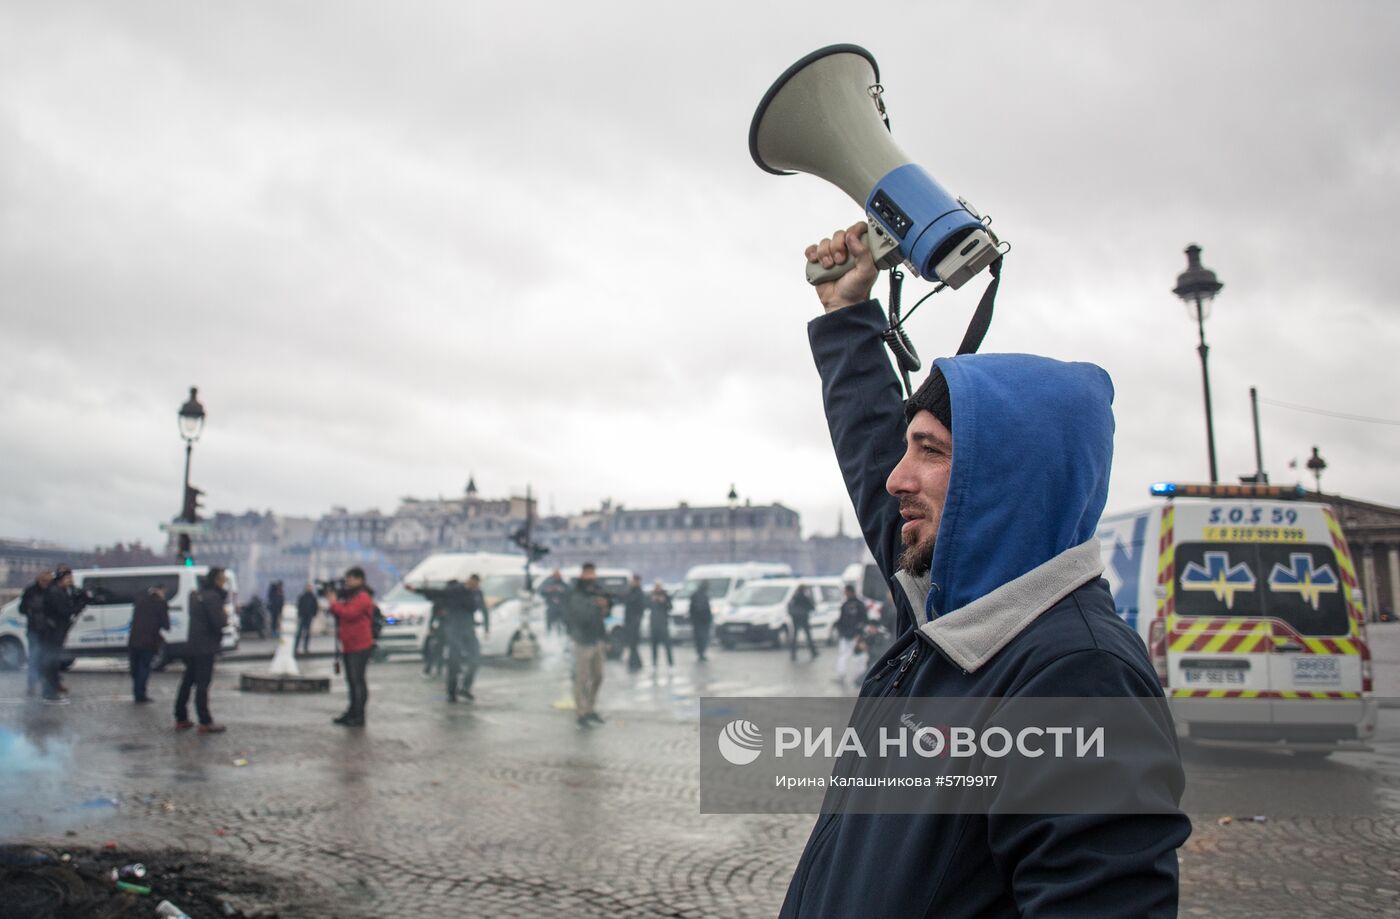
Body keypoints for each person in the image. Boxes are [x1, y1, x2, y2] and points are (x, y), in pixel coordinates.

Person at [778, 224, 1189, 917]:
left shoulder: (1079, 674)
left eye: (931, 451)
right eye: (908, 448)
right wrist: (848, 316)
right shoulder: (956, 609)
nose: (895, 479)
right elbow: (873, 447)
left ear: (1002, 478)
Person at [410, 577, 489, 702]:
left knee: (475, 659)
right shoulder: (456, 591)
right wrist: (417, 590)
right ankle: (451, 692)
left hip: (468, 630)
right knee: (454, 661)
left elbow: (483, 609)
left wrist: (486, 627)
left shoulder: (476, 593)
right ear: (469, 582)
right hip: (454, 630)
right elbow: (436, 593)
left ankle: (465, 687)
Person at [174, 568, 229, 733]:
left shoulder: (197, 595)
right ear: (217, 580)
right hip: (206, 647)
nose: (225, 581)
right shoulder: (213, 597)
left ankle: (181, 716)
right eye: (223, 578)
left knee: (187, 682)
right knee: (202, 684)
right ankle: (205, 721)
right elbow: (217, 622)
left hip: (193, 644)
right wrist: (225, 616)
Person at [327, 567, 375, 726]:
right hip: (349, 644)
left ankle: (359, 715)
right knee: (351, 681)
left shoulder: (363, 597)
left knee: (357, 681)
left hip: (360, 644)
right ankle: (352, 711)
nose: (348, 583)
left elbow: (349, 613)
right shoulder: (352, 595)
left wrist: (334, 603)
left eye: (350, 579)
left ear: (359, 579)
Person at [565, 562, 609, 728]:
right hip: (582, 640)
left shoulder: (598, 589)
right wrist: (594, 606)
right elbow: (578, 614)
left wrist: (605, 607)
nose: (591, 576)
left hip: (597, 638)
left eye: (593, 573)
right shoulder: (576, 591)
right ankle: (581, 712)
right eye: (588, 573)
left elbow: (605, 611)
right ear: (583, 574)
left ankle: (590, 708)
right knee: (582, 679)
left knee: (598, 676)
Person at [38, 566, 88, 703]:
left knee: (52, 662)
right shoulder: (55, 592)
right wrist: (78, 606)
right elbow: (65, 612)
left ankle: (51, 690)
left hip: (55, 632)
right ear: (62, 579)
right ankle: (49, 692)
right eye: (68, 578)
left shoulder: (60, 591)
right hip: (53, 633)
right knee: (51, 662)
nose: (71, 580)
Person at [128, 583, 170, 703]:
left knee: (135, 667)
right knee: (144, 667)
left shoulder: (140, 601)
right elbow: (166, 625)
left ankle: (137, 692)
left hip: (134, 639)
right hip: (149, 640)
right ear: (161, 591)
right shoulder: (160, 604)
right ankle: (141, 694)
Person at [19, 570, 53, 698]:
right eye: (43, 581)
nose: (45, 584)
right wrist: (31, 610)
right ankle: (32, 684)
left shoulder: (52, 590)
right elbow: (22, 608)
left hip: (48, 629)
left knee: (47, 657)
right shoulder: (30, 591)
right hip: (34, 628)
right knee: (34, 657)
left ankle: (46, 683)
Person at [833, 585, 867, 687]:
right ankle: (855, 677)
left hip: (852, 636)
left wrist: (858, 633)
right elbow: (864, 620)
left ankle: (857, 677)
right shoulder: (858, 604)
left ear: (849, 592)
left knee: (855, 657)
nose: (845, 594)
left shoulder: (848, 604)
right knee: (854, 657)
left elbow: (863, 620)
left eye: (845, 592)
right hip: (852, 635)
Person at [786, 584, 819, 661]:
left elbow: (789, 606)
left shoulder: (794, 597)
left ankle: (793, 653)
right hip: (803, 618)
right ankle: (813, 651)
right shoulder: (804, 597)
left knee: (794, 636)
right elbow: (811, 607)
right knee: (808, 635)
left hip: (795, 618)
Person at [647, 581, 674, 669]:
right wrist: (652, 601)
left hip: (663, 624)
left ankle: (670, 664)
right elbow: (646, 605)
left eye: (659, 586)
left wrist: (664, 601)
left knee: (667, 645)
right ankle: (654, 664)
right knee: (654, 645)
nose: (657, 588)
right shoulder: (651, 595)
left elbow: (670, 607)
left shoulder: (665, 595)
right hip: (654, 624)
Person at [622, 574, 645, 671]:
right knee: (632, 645)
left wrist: (636, 621)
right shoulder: (631, 592)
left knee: (633, 644)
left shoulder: (639, 593)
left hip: (634, 623)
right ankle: (636, 663)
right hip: (629, 622)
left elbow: (640, 609)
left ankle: (634, 664)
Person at [690, 581, 713, 663]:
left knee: (699, 638)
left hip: (698, 621)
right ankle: (701, 653)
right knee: (703, 638)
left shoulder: (695, 595)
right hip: (702, 621)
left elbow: (691, 609)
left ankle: (700, 653)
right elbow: (707, 609)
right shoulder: (704, 595)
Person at [540, 568, 568, 635]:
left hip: (561, 608)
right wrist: (549, 589)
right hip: (551, 607)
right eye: (555, 574)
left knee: (562, 625)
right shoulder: (547, 583)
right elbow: (541, 591)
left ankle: (561, 636)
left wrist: (562, 590)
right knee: (549, 625)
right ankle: (548, 636)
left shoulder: (563, 583)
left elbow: (569, 591)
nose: (557, 576)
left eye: (558, 574)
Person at [295, 583, 318, 656]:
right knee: (299, 632)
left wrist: (313, 614)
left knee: (307, 633)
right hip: (303, 616)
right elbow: (299, 605)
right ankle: (296, 647)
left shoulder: (313, 597)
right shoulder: (302, 596)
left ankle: (305, 647)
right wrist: (300, 614)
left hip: (309, 616)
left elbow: (315, 606)